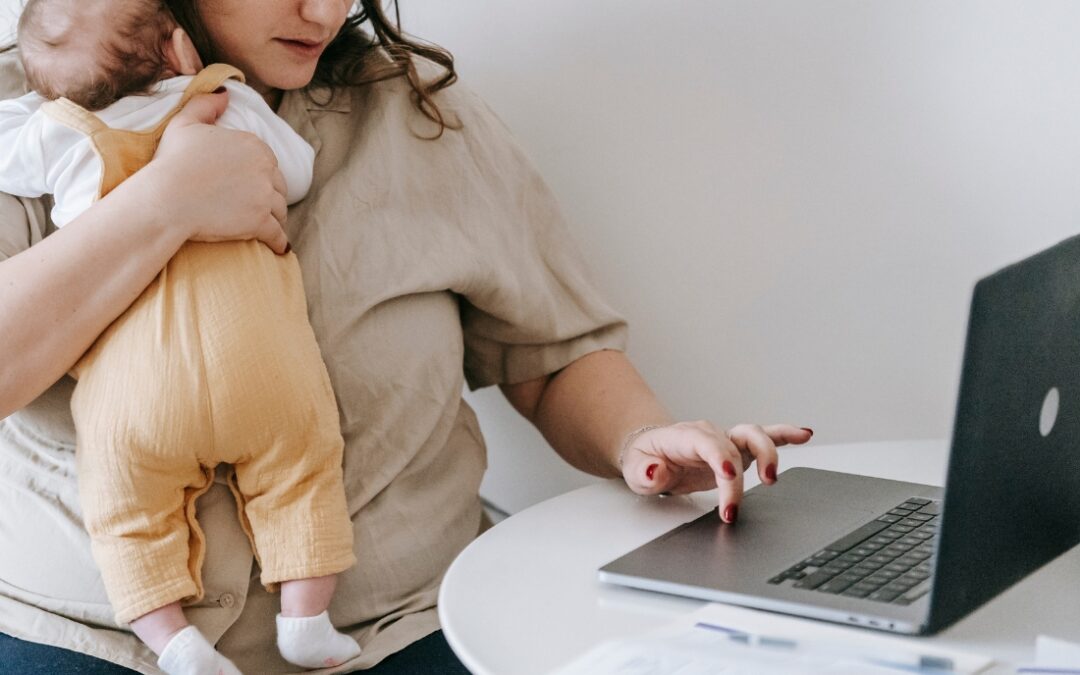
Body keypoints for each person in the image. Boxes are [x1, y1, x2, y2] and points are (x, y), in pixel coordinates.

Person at [0, 0, 813, 672]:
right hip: (83, 634)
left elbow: (551, 353)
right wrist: (165, 201)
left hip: (399, 628)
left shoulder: (418, 112)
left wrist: (642, 438)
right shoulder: (34, 104)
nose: (322, 11)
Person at [0, 1, 364, 673]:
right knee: (305, 467)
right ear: (181, 49)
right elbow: (296, 170)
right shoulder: (225, 101)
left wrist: (46, 105)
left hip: (135, 395)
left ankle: (172, 639)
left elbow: (9, 156)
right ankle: (307, 616)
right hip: (260, 364)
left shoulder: (60, 130)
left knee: (123, 508)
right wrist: (174, 192)